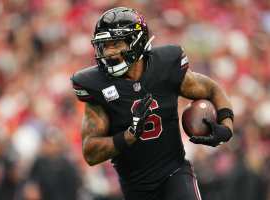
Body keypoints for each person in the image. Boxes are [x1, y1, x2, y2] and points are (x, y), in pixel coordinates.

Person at [71, 7, 234, 200]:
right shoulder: (96, 85)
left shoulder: (165, 66)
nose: (108, 52)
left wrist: (226, 126)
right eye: (104, 45)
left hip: (175, 173)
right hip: (136, 186)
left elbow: (212, 89)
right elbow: (90, 152)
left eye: (115, 44)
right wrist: (129, 135)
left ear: (136, 41)